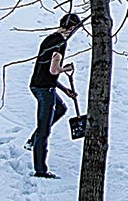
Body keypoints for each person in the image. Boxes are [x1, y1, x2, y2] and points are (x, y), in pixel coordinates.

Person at [28, 12, 82, 179]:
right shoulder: (60, 43)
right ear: (72, 28)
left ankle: (33, 139)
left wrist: (65, 90)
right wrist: (65, 69)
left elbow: (46, 72)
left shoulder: (49, 39)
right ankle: (40, 170)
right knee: (44, 131)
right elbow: (53, 70)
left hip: (38, 85)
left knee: (61, 108)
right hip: (45, 90)